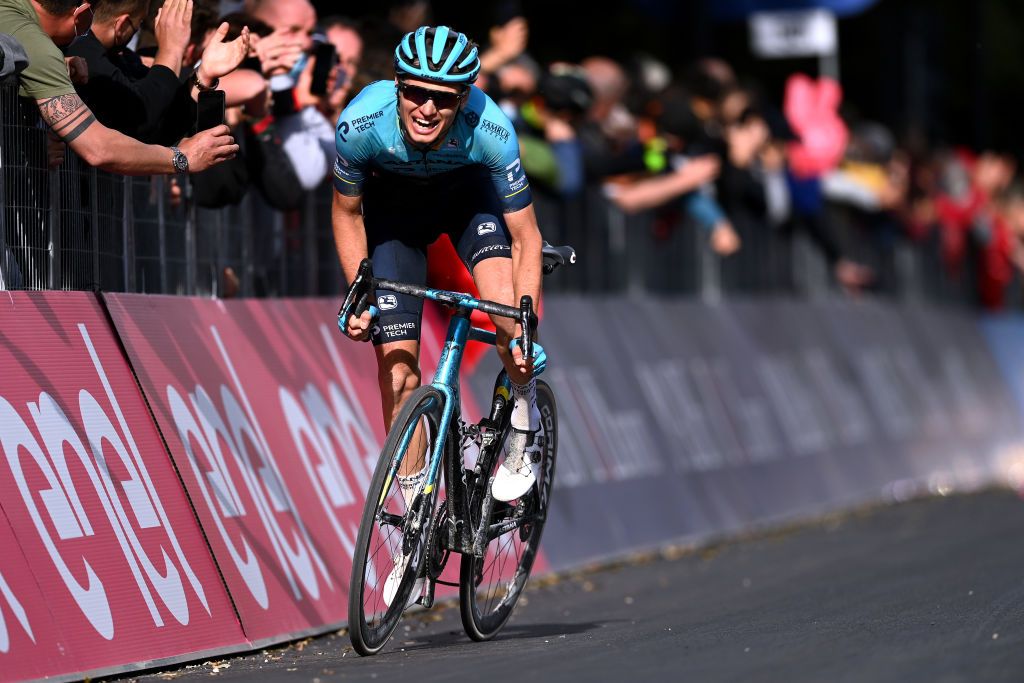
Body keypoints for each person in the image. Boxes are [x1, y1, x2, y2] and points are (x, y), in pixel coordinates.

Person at [332, 25, 545, 605]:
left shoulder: (492, 129)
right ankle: (417, 511)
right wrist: (361, 292)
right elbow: (347, 214)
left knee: (505, 318)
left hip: (467, 202)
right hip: (394, 217)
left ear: (464, 98)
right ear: (396, 87)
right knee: (397, 369)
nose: (426, 108)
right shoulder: (359, 123)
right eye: (415, 93)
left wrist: (523, 320)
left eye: (444, 98)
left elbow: (526, 237)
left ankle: (522, 421)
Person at [0, 0, 237, 175]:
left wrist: (202, 75)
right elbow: (98, 148)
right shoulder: (40, 49)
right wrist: (183, 157)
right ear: (82, 12)